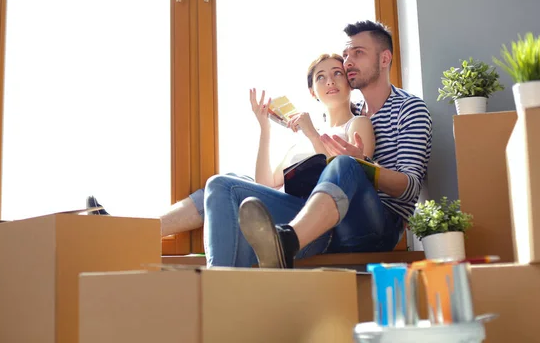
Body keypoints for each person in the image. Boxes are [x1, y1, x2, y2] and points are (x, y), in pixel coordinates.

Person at [87, 52, 376, 268]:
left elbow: (345, 176)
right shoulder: (299, 140)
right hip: (286, 211)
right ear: (313, 92)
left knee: (222, 185)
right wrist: (264, 129)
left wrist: (314, 135)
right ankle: (130, 233)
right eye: (320, 77)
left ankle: (218, 284)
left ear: (349, 83)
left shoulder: (357, 124)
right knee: (229, 183)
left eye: (337, 73)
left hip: (313, 227)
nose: (330, 81)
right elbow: (265, 182)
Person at [237, 20, 433, 268]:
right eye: (346, 55)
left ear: (385, 59)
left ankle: (286, 241)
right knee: (231, 184)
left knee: (345, 164)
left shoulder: (409, 108)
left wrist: (363, 166)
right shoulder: (354, 113)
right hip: (335, 221)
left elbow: (410, 187)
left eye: (358, 53)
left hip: (379, 225)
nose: (349, 61)